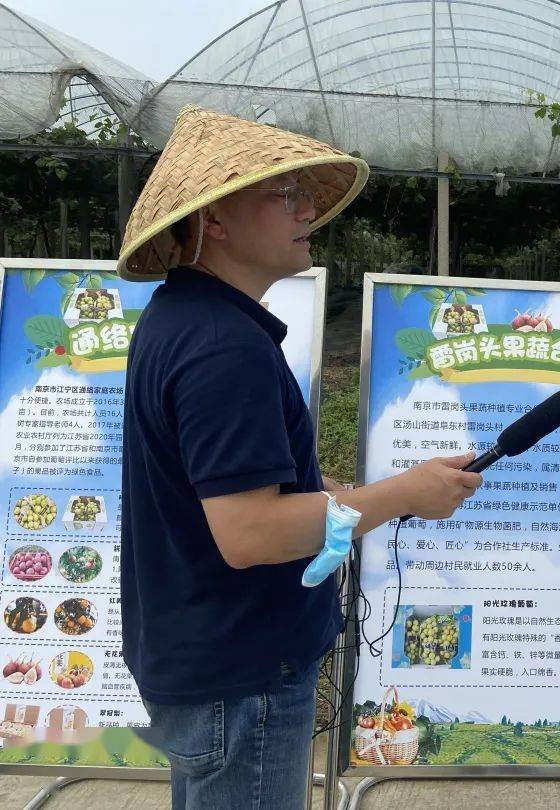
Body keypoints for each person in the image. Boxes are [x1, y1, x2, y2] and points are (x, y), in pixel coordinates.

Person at [118, 106, 482, 809]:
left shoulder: (180, 318)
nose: (308, 207)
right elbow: (251, 533)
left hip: (204, 660)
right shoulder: (227, 347)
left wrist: (351, 488)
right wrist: (406, 493)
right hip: (241, 674)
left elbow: (239, 490)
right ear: (215, 219)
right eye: (284, 194)